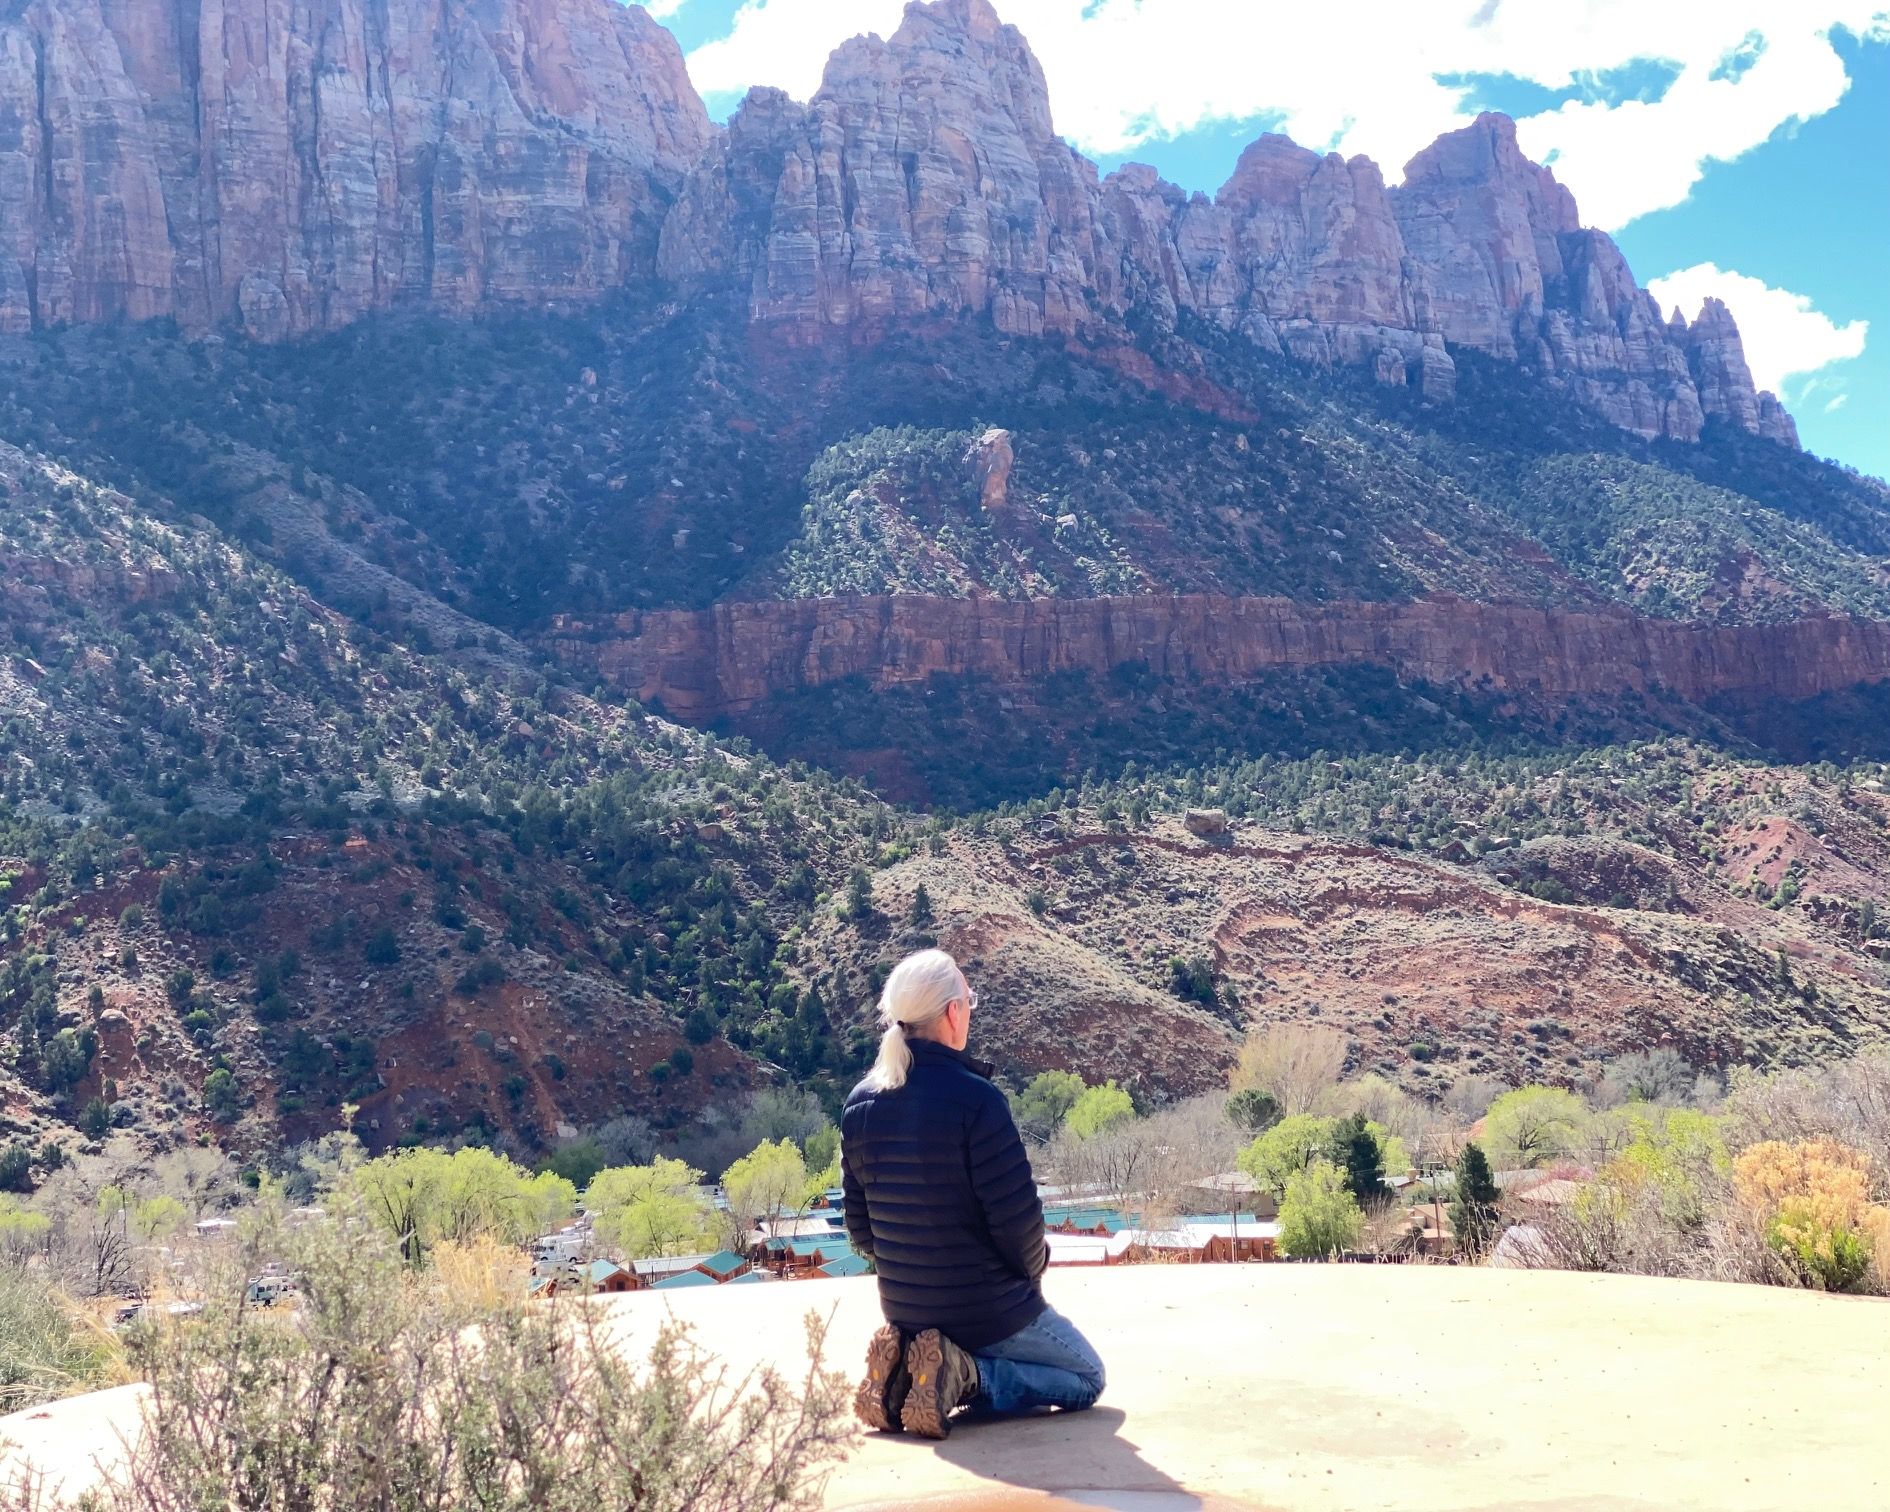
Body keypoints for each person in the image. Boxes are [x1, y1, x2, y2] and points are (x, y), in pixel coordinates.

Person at [841, 948, 1105, 1439]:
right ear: (952, 1012)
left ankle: (908, 1374)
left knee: (1048, 1363)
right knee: (1086, 1377)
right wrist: (1029, 1277)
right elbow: (1019, 1225)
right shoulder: (977, 1101)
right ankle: (964, 1375)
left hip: (904, 1312)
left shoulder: (859, 1105)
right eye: (969, 1000)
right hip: (988, 1313)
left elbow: (860, 1230)